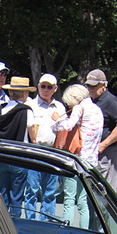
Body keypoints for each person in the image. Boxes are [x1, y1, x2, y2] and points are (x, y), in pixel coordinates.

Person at [53, 84, 103, 229]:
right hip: (90, 161)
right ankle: (84, 231)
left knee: (69, 199)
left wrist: (57, 119)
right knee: (82, 202)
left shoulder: (78, 108)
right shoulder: (97, 109)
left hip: (76, 159)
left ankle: (67, 231)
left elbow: (68, 126)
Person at [0, 77, 37, 216]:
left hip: (1, 156)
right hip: (18, 156)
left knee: (3, 193)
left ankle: (2, 223)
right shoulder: (26, 111)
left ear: (11, 93)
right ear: (24, 94)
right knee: (17, 196)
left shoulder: (1, 110)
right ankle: (15, 224)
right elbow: (33, 136)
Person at [25, 73, 67, 221]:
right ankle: (29, 221)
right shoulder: (30, 105)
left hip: (52, 152)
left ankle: (46, 221)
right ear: (38, 87)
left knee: (50, 192)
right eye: (43, 86)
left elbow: (64, 130)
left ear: (55, 89)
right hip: (33, 151)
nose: (46, 89)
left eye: (49, 87)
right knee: (32, 190)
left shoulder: (60, 107)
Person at [84, 68, 117, 189]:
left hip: (105, 154)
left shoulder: (110, 101)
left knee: (102, 191)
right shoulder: (89, 101)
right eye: (88, 86)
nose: (90, 89)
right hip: (92, 153)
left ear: (103, 85)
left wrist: (103, 145)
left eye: (93, 86)